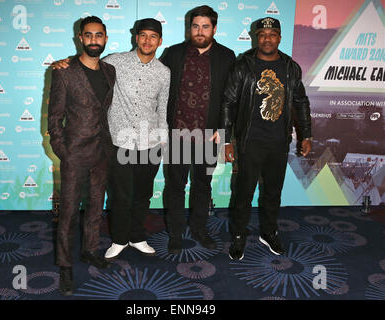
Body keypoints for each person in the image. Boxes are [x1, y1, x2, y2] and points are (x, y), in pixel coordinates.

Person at [53, 18, 170, 260]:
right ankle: (118, 239)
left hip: (150, 144)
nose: (148, 41)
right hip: (118, 141)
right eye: (143, 35)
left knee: (143, 195)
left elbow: (163, 109)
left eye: (153, 37)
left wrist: (163, 142)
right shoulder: (113, 62)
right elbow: (85, 67)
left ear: (160, 41)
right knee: (120, 195)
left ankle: (137, 237)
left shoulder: (164, 72)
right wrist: (62, 63)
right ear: (135, 38)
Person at [220, 17, 312, 260]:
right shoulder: (244, 66)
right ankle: (239, 235)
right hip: (250, 141)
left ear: (280, 38)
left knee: (273, 192)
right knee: (243, 192)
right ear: (256, 37)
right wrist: (227, 140)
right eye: (262, 34)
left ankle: (269, 232)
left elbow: (301, 102)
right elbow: (229, 102)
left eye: (272, 34)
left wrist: (306, 134)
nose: (267, 39)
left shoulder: (291, 68)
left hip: (279, 142)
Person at [48, 16, 115, 296]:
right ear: (80, 38)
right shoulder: (64, 72)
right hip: (75, 153)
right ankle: (65, 265)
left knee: (96, 208)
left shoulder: (110, 70)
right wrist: (65, 152)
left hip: (102, 151)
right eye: (88, 35)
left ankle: (89, 250)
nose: (93, 40)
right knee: (69, 213)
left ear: (106, 38)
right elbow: (55, 119)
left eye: (98, 35)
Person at [160, 5, 235, 254]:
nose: (199, 31)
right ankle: (175, 233)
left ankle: (200, 229)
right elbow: (156, 85)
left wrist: (224, 131)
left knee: (203, 185)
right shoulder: (174, 53)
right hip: (178, 134)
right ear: (188, 27)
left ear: (214, 28)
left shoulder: (227, 56)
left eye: (205, 26)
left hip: (209, 135)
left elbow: (230, 98)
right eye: (195, 26)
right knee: (176, 186)